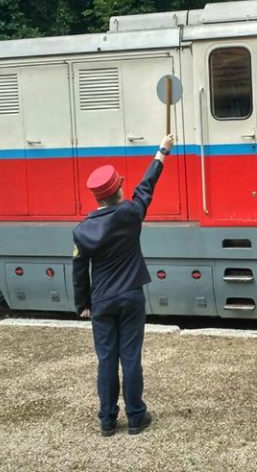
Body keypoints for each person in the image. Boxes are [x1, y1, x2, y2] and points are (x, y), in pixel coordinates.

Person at [72, 133, 174, 437]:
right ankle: (136, 417)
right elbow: (146, 189)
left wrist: (83, 304)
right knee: (130, 357)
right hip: (131, 297)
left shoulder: (82, 231)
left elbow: (78, 269)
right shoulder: (130, 214)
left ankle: (106, 420)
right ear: (118, 189)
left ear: (96, 197)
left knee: (106, 359)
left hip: (101, 302)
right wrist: (161, 153)